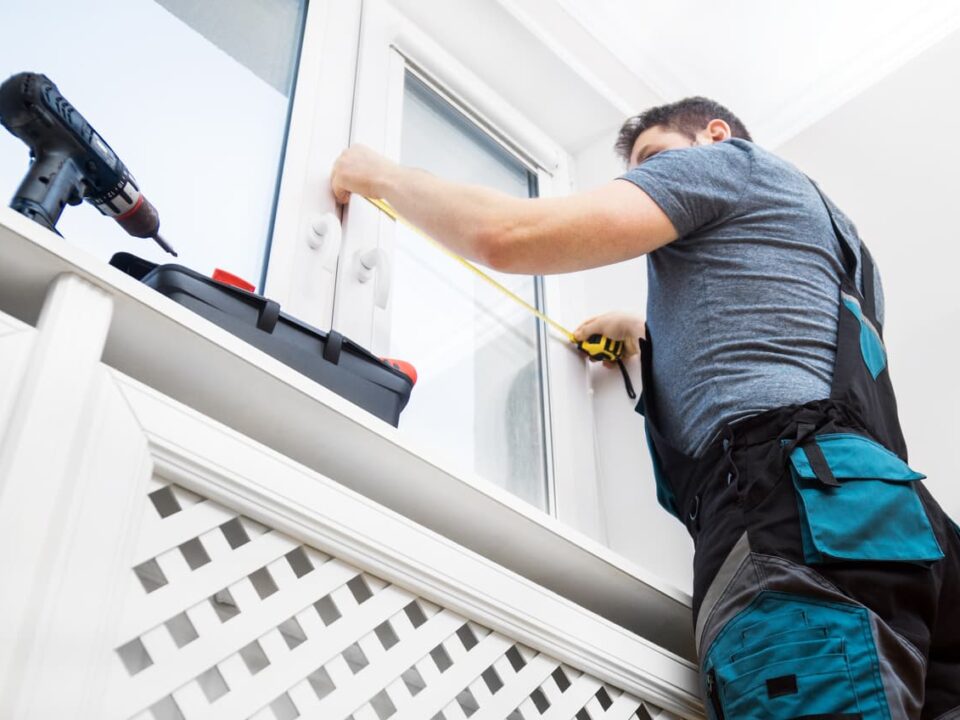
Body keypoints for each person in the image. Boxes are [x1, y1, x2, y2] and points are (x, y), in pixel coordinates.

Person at [331, 96, 960, 719]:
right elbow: (775, 346)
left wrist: (379, 175)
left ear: (714, 135)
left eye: (654, 159)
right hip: (906, 531)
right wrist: (643, 336)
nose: (644, 182)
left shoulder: (729, 162)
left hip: (792, 517)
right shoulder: (842, 244)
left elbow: (507, 236)